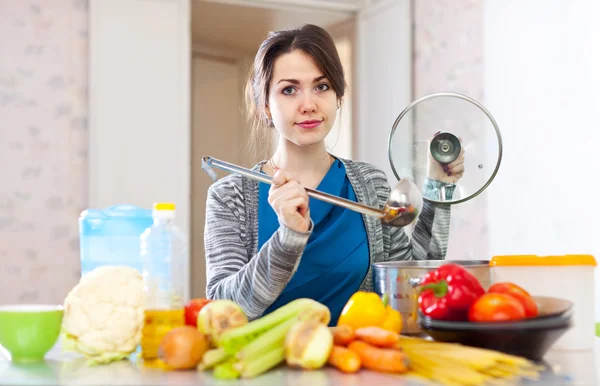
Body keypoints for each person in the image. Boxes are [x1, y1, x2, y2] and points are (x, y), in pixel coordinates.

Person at [203, 24, 464, 325]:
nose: (309, 105)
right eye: (289, 90)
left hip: (356, 363)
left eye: (321, 86)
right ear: (264, 105)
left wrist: (439, 188)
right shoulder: (229, 196)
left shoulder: (370, 183)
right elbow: (224, 312)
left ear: (338, 95)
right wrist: (288, 238)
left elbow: (414, 280)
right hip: (264, 370)